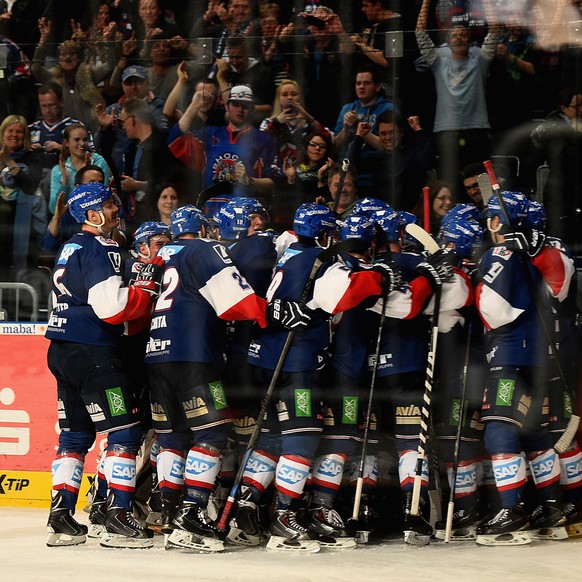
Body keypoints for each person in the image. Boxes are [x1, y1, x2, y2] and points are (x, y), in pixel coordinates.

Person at [145, 203, 306, 552]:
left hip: (156, 355)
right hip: (193, 355)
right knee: (214, 432)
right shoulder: (205, 248)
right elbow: (237, 304)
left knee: (174, 437)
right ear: (204, 229)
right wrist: (275, 308)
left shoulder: (162, 255)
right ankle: (192, 515)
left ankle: (169, 512)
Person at [236, 202, 398, 551]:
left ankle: (246, 503)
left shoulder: (286, 251)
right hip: (300, 361)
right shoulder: (324, 261)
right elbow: (344, 294)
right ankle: (284, 516)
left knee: (273, 440)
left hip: (266, 357)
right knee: (304, 439)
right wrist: (380, 277)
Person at [44, 181, 165, 549]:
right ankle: (118, 516)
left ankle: (61, 518)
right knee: (126, 431)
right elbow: (110, 308)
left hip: (62, 350)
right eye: (109, 205)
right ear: (92, 214)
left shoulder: (70, 246)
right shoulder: (99, 247)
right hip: (94, 351)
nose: (117, 210)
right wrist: (143, 293)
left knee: (75, 436)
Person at [474, 191, 572, 545]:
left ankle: (512, 509)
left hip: (512, 356)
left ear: (498, 221)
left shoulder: (499, 252)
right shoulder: (552, 247)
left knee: (499, 430)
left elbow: (493, 311)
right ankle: (552, 508)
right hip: (545, 359)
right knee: (534, 434)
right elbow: (562, 285)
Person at [415, 0, 499, 186]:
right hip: (446, 132)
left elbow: (494, 31)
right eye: (454, 35)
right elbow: (420, 34)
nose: (459, 37)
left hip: (477, 130)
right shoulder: (438, 62)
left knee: (483, 180)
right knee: (449, 181)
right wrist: (426, 3)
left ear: (470, 42)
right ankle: (452, 213)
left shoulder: (480, 60)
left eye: (463, 35)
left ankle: (486, 211)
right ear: (448, 41)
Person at [168, 85, 280, 214]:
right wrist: (194, 105)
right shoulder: (210, 134)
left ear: (252, 109)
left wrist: (249, 181)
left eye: (245, 106)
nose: (240, 110)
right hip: (211, 211)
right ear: (226, 106)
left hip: (247, 214)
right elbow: (175, 140)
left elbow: (273, 183)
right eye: (236, 104)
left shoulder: (264, 140)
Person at [31, 18, 115, 134]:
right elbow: (36, 68)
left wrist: (108, 44)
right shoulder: (54, 77)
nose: (68, 58)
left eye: (71, 54)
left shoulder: (88, 72)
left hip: (91, 130)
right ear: (58, 59)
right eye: (64, 54)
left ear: (78, 56)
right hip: (63, 132)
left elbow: (108, 66)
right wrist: (43, 41)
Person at [348, 110, 435, 209]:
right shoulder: (376, 158)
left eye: (392, 132)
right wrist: (359, 135)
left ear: (401, 133)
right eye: (383, 134)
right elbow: (349, 166)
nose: (388, 137)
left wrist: (418, 129)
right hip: (382, 216)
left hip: (411, 215)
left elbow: (429, 162)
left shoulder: (413, 155)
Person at [530, 87, 582, 247]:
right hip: (562, 188)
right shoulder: (553, 128)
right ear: (564, 108)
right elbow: (562, 158)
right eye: (576, 106)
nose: (581, 110)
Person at [118, 97, 180, 229]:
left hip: (155, 217)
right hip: (137, 214)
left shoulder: (162, 145)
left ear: (132, 120)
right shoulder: (133, 148)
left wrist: (137, 185)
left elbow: (171, 181)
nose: (123, 127)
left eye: (123, 122)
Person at [94, 64, 167, 174]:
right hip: (118, 174)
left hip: (146, 170)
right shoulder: (113, 110)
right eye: (129, 83)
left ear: (147, 83)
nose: (133, 87)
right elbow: (97, 146)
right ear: (123, 85)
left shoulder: (157, 106)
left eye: (137, 81)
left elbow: (162, 133)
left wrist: (134, 119)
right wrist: (104, 129)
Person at [0, 114, 46, 279]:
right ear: (2, 133)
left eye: (19, 131)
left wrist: (9, 161)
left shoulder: (33, 156)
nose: (14, 135)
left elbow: (29, 185)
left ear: (25, 136)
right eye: (10, 130)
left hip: (22, 230)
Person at [260, 79, 332, 167]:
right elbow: (260, 143)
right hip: (276, 171)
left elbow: (327, 138)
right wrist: (276, 121)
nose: (290, 97)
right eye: (285, 94)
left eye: (294, 94)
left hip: (304, 171)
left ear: (300, 97)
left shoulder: (308, 122)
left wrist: (308, 118)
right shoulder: (269, 122)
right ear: (278, 99)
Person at [49, 123, 110, 216]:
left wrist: (87, 172)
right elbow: (54, 209)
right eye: (77, 140)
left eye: (85, 140)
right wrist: (64, 181)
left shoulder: (99, 163)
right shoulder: (57, 170)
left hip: (95, 218)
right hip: (67, 221)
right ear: (67, 143)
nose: (82, 143)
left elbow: (103, 200)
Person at [215, 35, 276, 123]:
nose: (235, 62)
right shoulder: (225, 72)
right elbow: (225, 104)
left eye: (239, 57)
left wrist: (245, 108)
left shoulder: (263, 72)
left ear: (247, 53)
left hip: (255, 122)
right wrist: (220, 78)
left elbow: (270, 107)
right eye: (231, 57)